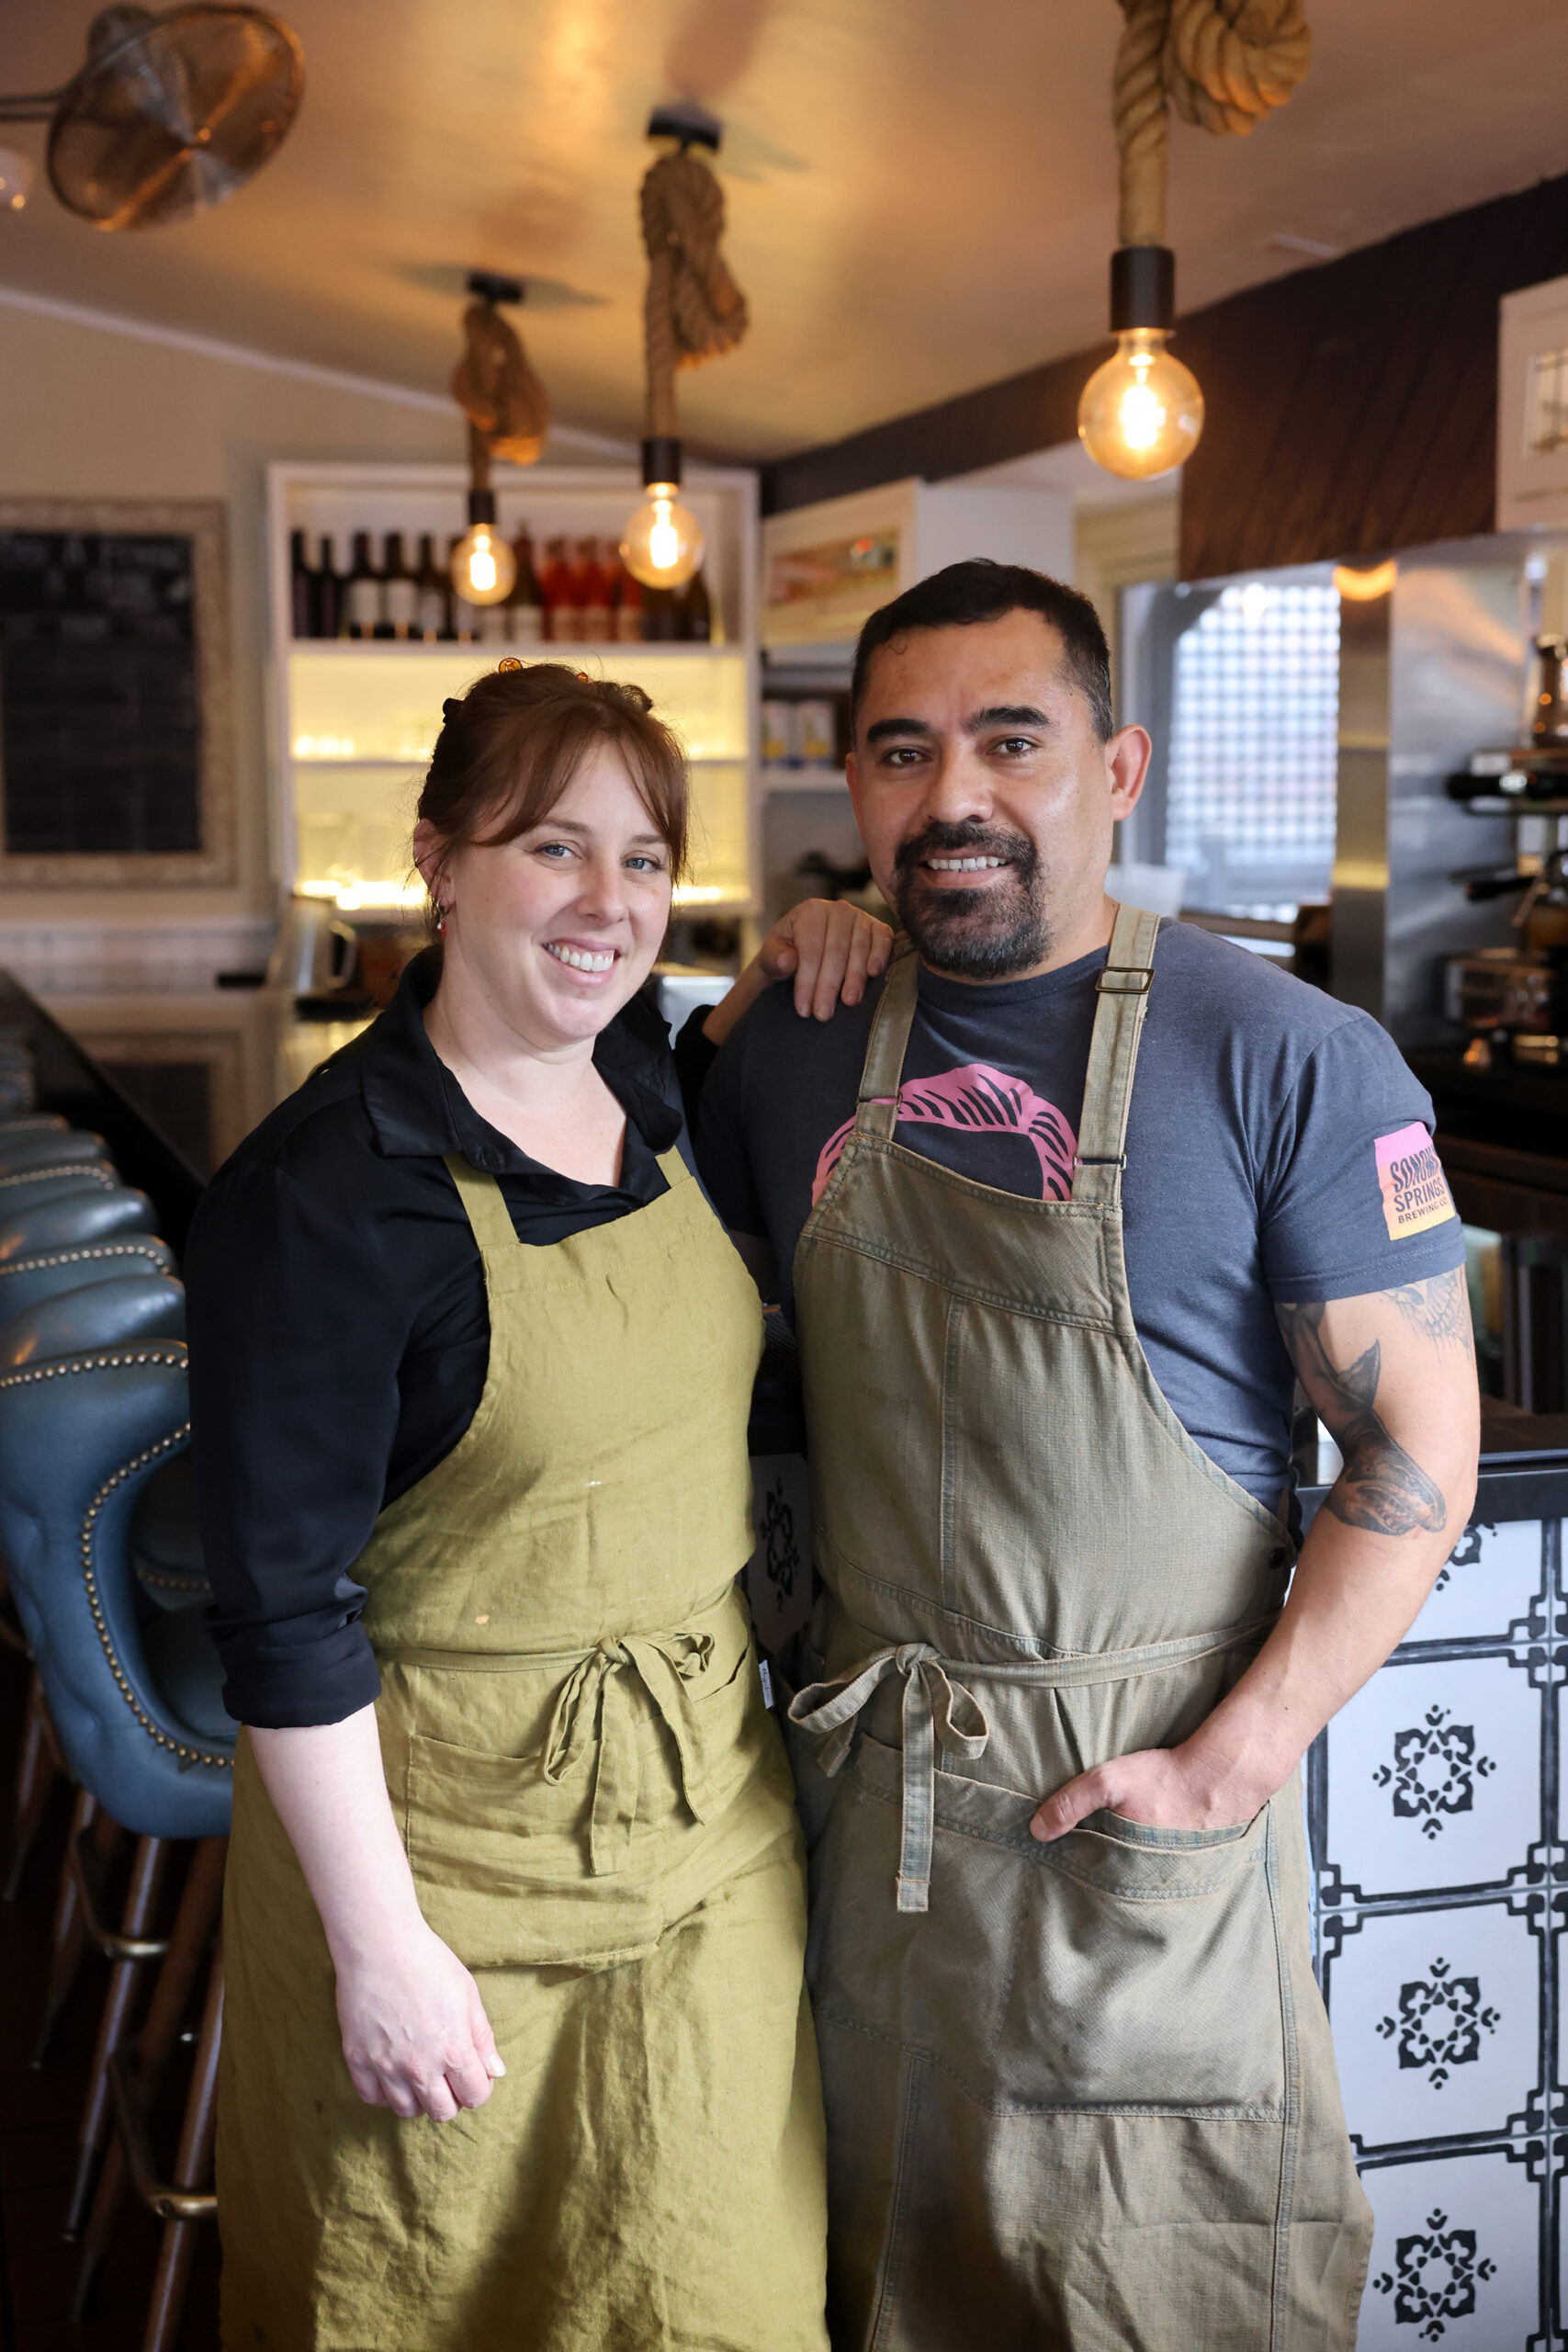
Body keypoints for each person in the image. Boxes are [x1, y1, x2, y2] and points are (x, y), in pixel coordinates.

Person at [690, 562, 1481, 2349]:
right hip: (872, 1833)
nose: (950, 791)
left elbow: (1410, 1434)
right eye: (901, 750)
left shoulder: (1284, 1052)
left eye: (1008, 739)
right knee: (875, 2287)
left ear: (1113, 769)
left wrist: (1229, 1762)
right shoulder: (788, 1051)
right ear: (852, 788)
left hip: (1140, 1841)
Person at [186, 661, 888, 2352]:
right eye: (552, 848)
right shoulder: (327, 1197)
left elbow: (736, 1009)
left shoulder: (649, 1083)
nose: (608, 904)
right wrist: (380, 1947)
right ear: (438, 861)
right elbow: (281, 1611)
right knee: (427, 2296)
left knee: (720, 2289)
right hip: (443, 1862)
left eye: (645, 859)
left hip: (707, 1819)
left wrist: (811, 935)